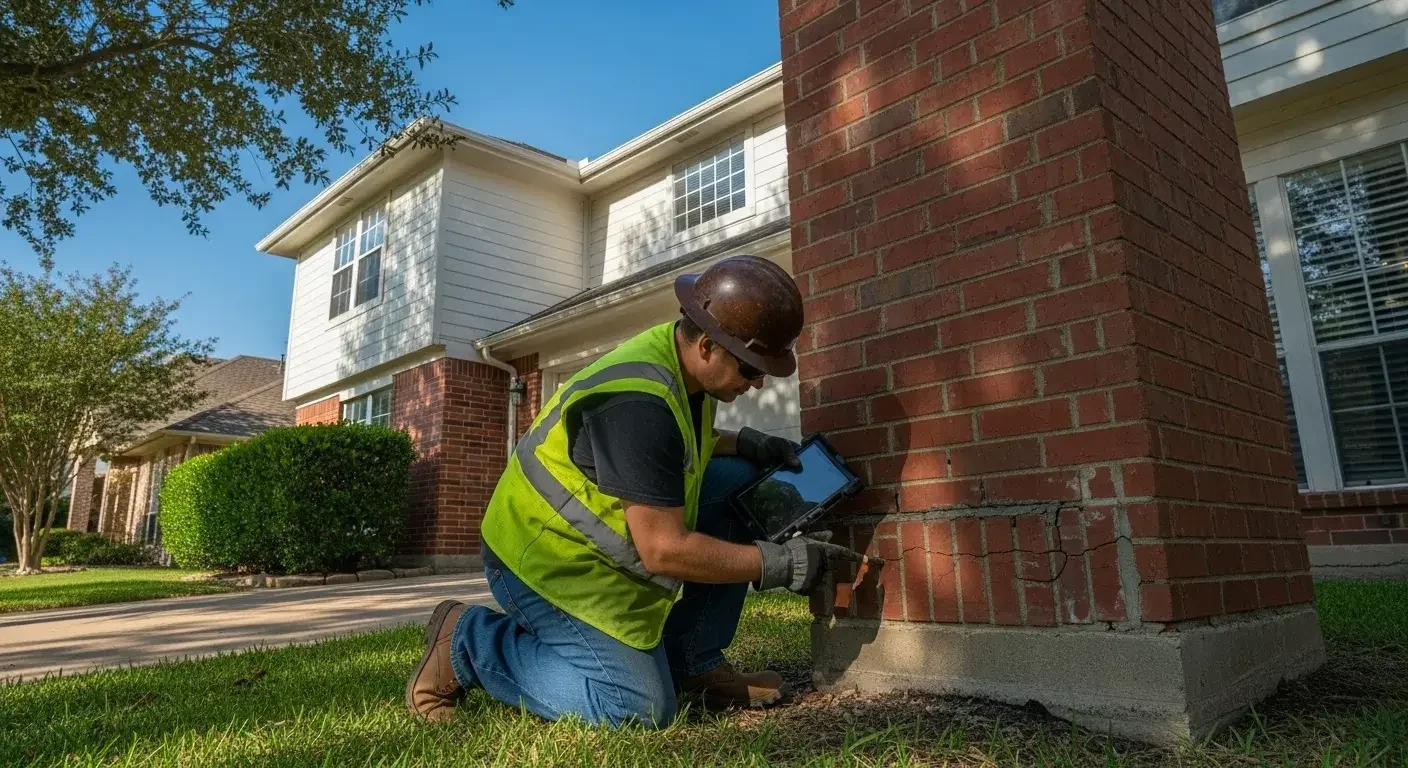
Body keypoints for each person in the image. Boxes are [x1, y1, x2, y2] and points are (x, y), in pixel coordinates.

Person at [404, 255, 866, 728]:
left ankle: (694, 664)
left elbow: (684, 446)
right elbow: (663, 551)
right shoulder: (638, 405)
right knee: (637, 708)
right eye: (751, 369)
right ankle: (468, 640)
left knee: (737, 479)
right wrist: (779, 563)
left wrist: (751, 443)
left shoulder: (686, 375)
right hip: (542, 560)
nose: (758, 382)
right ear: (707, 345)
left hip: (582, 548)